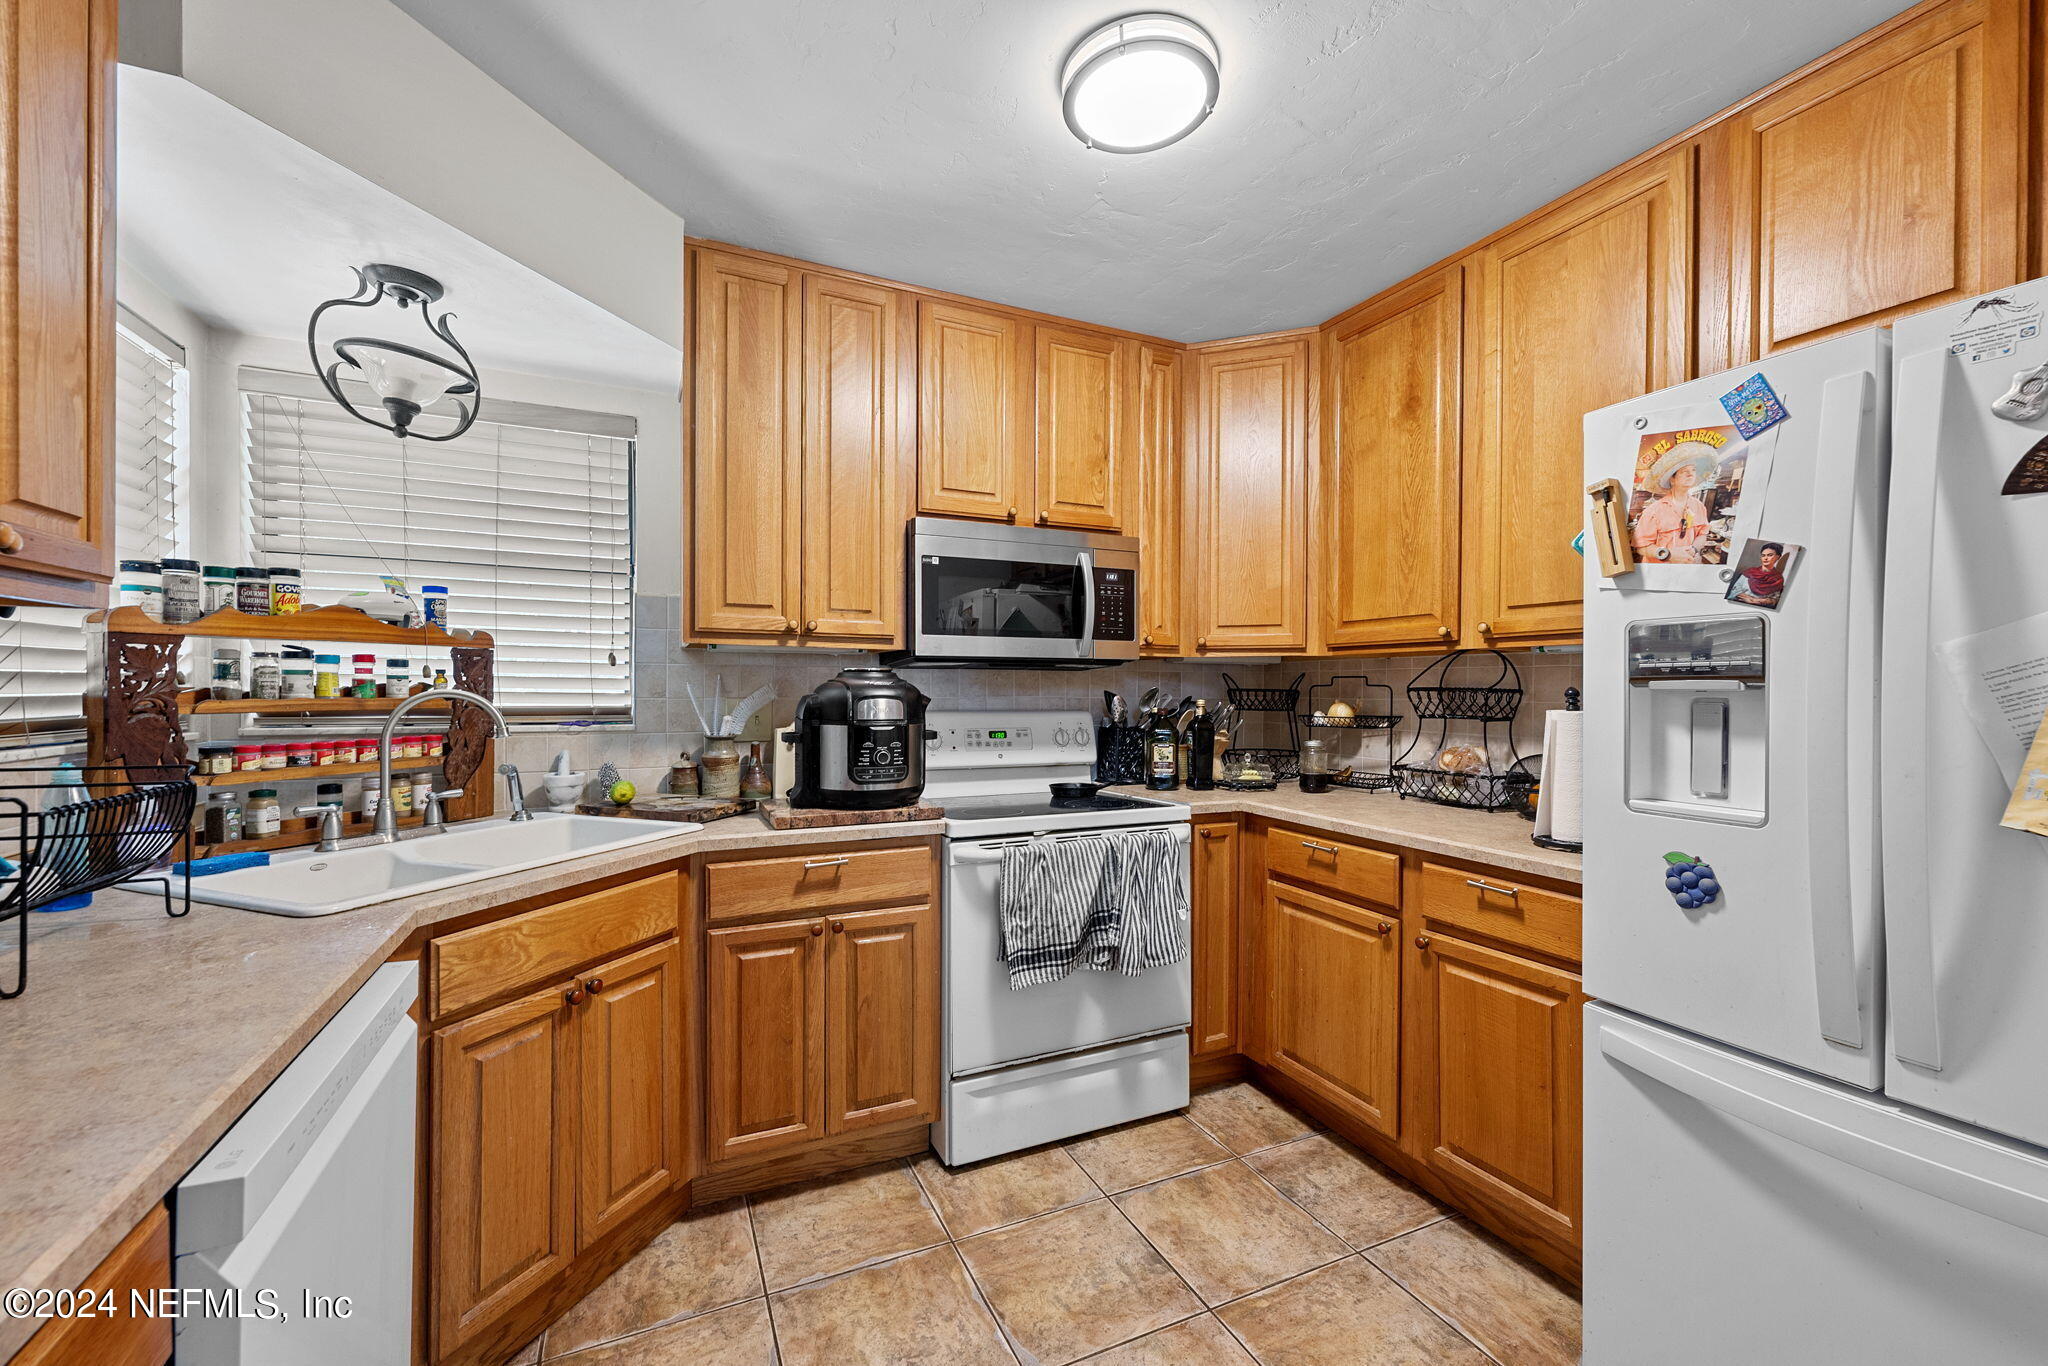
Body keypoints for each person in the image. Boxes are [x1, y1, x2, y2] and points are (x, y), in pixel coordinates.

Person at [1631, 444, 1718, 563]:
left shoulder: (1699, 507)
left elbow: (1702, 534)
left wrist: (1693, 549)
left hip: (1687, 568)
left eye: (1693, 470)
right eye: (1684, 471)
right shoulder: (1653, 510)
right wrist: (1668, 554)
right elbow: (1641, 547)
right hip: (1658, 571)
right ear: (1672, 479)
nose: (1690, 474)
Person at [1728, 542, 1788, 607]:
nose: (1765, 558)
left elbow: (1775, 599)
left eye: (1770, 555)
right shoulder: (1750, 572)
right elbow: (1735, 591)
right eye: (1763, 555)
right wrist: (1751, 600)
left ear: (1778, 557)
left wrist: (1758, 601)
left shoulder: (1778, 578)